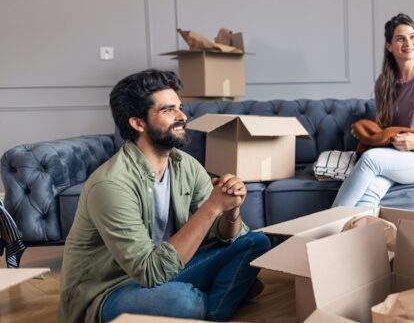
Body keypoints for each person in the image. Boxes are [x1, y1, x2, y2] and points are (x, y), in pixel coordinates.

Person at [59, 70, 271, 323]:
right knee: (184, 302)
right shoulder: (110, 185)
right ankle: (218, 299)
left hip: (167, 270)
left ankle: (210, 301)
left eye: (180, 108)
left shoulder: (185, 164)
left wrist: (230, 209)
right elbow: (149, 272)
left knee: (255, 242)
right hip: (111, 290)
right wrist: (212, 207)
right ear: (138, 123)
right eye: (169, 110)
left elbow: (226, 236)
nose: (183, 117)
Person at [332, 13, 414, 207]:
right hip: (398, 156)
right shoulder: (384, 83)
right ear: (389, 46)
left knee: (370, 160)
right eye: (400, 38)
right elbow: (385, 129)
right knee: (370, 193)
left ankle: (327, 222)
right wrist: (367, 132)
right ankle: (354, 235)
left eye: (413, 36)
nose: (409, 42)